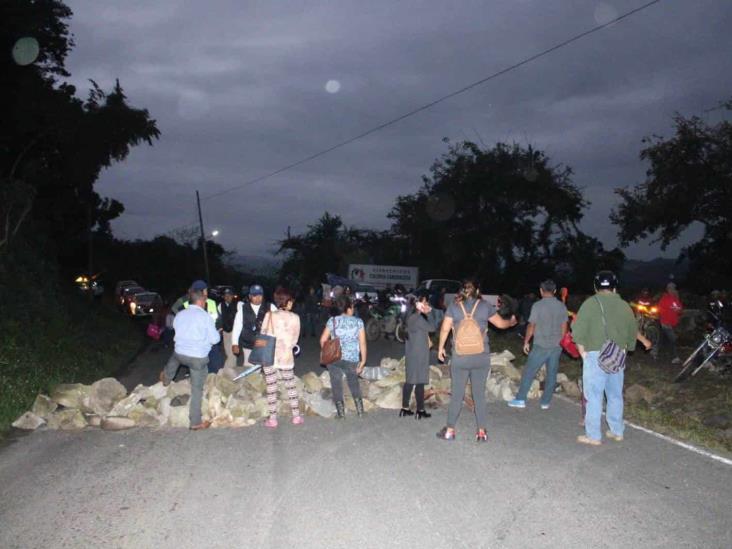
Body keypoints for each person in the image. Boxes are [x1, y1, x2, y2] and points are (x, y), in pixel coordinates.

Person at [435, 277, 517, 442]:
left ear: (462, 290)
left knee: (457, 394)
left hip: (460, 358)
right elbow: (501, 324)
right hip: (481, 357)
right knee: (479, 394)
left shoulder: (454, 306)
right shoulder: (485, 306)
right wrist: (512, 322)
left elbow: (444, 329)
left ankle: (450, 430)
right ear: (478, 290)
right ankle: (481, 432)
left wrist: (440, 348)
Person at [571, 271, 638, 446]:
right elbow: (633, 332)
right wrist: (626, 350)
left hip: (595, 354)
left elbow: (577, 333)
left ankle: (593, 436)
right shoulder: (625, 306)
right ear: (615, 287)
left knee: (594, 396)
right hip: (617, 356)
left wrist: (583, 354)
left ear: (595, 286)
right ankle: (617, 431)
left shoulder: (590, 304)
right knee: (615, 395)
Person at [159, 288, 220, 430]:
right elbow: (215, 339)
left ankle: (167, 378)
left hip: (180, 354)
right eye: (204, 300)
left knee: (175, 357)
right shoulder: (205, 317)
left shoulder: (180, 314)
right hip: (197, 358)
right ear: (201, 301)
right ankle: (195, 421)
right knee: (197, 388)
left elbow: (177, 331)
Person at [508, 279, 568, 410]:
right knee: (552, 373)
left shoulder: (538, 306)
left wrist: (526, 341)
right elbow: (564, 325)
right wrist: (561, 341)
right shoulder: (561, 306)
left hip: (541, 345)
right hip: (556, 345)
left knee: (529, 371)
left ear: (541, 291)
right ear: (555, 291)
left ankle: (520, 399)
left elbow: (531, 325)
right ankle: (545, 402)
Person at [260, 287, 303, 428]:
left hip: (270, 357)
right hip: (286, 358)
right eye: (291, 301)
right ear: (288, 301)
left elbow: (263, 334)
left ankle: (273, 419)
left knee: (271, 387)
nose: (292, 304)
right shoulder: (295, 318)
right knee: (290, 386)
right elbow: (295, 340)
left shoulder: (270, 315)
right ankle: (296, 416)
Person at [319, 295, 367, 419]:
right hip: (351, 358)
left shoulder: (332, 321)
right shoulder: (358, 322)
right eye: (352, 307)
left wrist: (327, 351)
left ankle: (341, 413)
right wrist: (363, 361)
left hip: (335, 357)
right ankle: (360, 410)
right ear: (349, 308)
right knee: (353, 382)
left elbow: (323, 340)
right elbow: (362, 343)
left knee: (336, 383)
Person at [401, 291, 437, 419]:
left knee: (410, 381)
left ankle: (405, 408)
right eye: (425, 301)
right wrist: (429, 313)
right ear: (417, 304)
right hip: (419, 354)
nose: (427, 304)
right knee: (420, 381)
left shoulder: (410, 317)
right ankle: (420, 411)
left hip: (412, 353)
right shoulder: (417, 318)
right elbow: (432, 328)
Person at [232, 284, 272, 367]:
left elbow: (278, 325)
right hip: (248, 344)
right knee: (249, 368)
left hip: (265, 344)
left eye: (260, 295)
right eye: (255, 295)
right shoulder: (242, 310)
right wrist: (234, 343)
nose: (258, 298)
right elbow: (237, 327)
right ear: (250, 296)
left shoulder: (270, 307)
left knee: (267, 367)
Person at [654, 282, 683, 364]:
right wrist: (669, 310)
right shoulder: (665, 298)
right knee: (672, 339)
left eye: (673, 288)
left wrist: (677, 310)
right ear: (667, 289)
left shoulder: (676, 299)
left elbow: (680, 310)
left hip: (672, 323)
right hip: (665, 323)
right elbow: (660, 309)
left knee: (662, 339)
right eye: (670, 288)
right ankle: (675, 358)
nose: (672, 290)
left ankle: (654, 353)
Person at [218, 288, 238, 375]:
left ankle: (225, 372)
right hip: (225, 332)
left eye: (229, 295)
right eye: (225, 296)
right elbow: (219, 319)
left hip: (235, 332)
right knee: (228, 353)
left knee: (232, 354)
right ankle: (232, 371)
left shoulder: (239, 304)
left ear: (233, 296)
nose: (227, 297)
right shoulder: (220, 306)